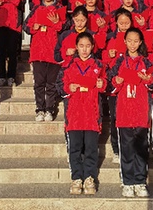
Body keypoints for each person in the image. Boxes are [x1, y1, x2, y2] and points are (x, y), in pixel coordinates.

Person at [57, 32, 106, 195]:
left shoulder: (99, 65)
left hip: (92, 113)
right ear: (76, 47)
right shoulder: (68, 65)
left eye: (88, 46)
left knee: (91, 148)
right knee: (75, 148)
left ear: (92, 47)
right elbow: (59, 85)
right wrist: (68, 88)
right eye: (81, 46)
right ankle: (76, 177)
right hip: (74, 114)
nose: (84, 50)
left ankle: (89, 177)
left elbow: (107, 83)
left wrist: (102, 83)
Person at [108, 27, 153, 198]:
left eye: (136, 41)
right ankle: (127, 181)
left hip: (141, 110)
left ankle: (140, 181)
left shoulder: (146, 62)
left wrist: (148, 80)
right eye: (129, 41)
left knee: (141, 148)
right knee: (126, 148)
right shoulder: (119, 62)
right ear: (124, 41)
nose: (133, 44)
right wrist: (117, 81)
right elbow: (110, 87)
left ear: (140, 42)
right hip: (124, 111)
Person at [24, 0, 66, 122]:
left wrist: (57, 23)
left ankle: (49, 109)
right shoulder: (36, 9)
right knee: (39, 83)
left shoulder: (59, 8)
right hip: (38, 51)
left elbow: (66, 26)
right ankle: (40, 109)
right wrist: (34, 27)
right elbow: (25, 26)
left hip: (53, 51)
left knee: (51, 83)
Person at [101, 8, 133, 163]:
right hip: (115, 85)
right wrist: (109, 55)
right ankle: (116, 149)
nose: (124, 25)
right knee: (115, 118)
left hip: (132, 85)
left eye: (127, 23)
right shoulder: (110, 38)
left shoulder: (135, 38)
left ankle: (132, 149)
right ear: (116, 23)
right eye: (121, 23)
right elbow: (102, 61)